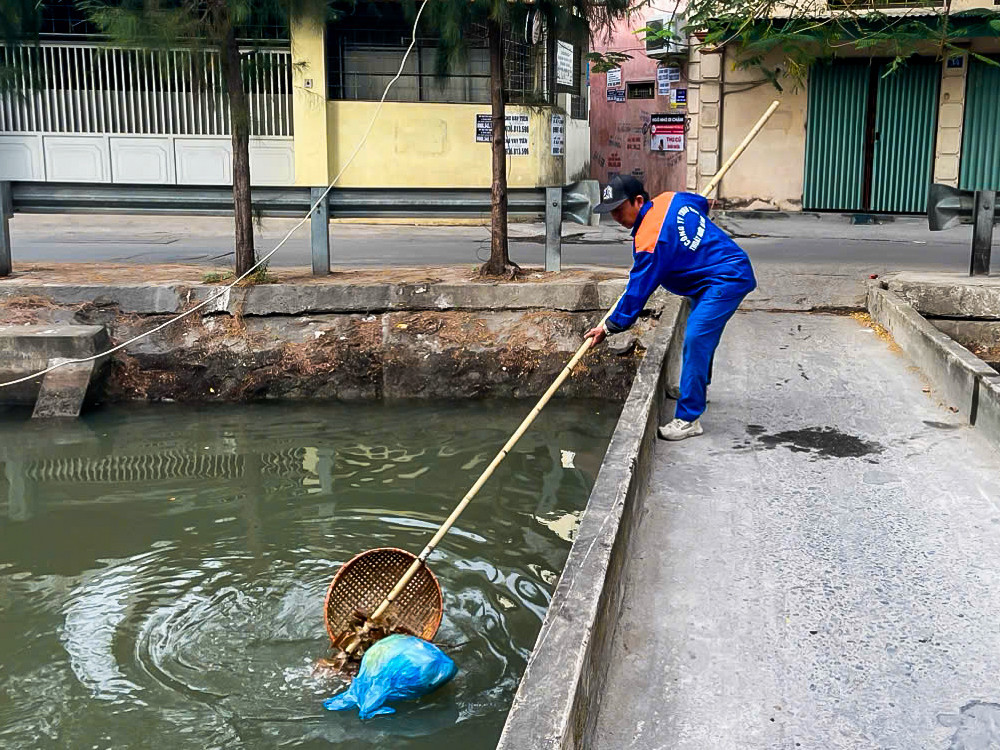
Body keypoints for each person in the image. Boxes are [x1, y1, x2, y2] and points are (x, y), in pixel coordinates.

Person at [584, 175, 756, 441]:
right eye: (611, 212)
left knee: (696, 337)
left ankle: (688, 418)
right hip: (707, 279)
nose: (616, 217)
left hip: (726, 277)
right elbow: (700, 204)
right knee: (700, 336)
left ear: (638, 201)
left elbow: (637, 293)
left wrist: (607, 327)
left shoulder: (650, 239)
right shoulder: (670, 198)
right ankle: (694, 388)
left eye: (619, 209)